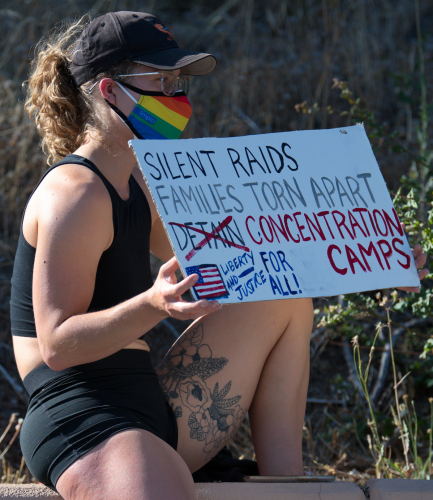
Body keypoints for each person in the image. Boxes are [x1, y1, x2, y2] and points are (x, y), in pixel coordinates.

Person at [9, 11, 427, 500]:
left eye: (179, 81)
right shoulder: (74, 192)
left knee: (284, 299)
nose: (177, 94)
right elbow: (57, 345)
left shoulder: (139, 181)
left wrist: (372, 256)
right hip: (82, 415)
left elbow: (251, 258)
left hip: (151, 405)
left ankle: (286, 486)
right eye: (162, 79)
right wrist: (153, 304)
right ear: (110, 91)